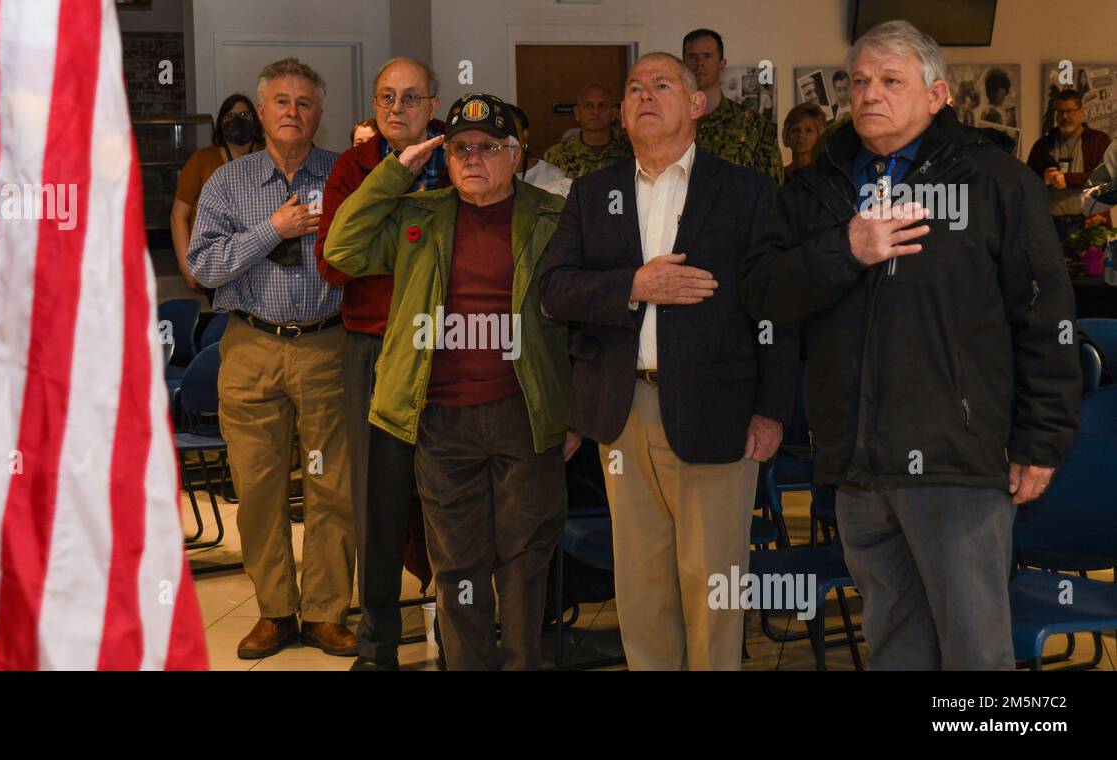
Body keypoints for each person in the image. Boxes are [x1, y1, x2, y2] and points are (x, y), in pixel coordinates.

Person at [739, 20, 1081, 670]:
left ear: (937, 94)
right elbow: (762, 292)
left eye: (890, 81)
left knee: (974, 654)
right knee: (896, 649)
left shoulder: (996, 181)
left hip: (958, 466)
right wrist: (846, 250)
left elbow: (1046, 320)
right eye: (859, 81)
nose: (870, 94)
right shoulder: (818, 186)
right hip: (859, 469)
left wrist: (1040, 443)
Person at [538, 53, 798, 670]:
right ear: (622, 113)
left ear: (697, 104)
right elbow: (555, 289)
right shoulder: (592, 192)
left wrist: (771, 409)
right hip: (621, 413)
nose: (644, 95)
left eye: (662, 84)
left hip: (719, 411)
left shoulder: (748, 191)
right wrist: (634, 284)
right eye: (634, 88)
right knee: (641, 583)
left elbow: (780, 312)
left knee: (712, 582)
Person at [325, 93, 579, 670]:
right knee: (457, 565)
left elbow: (581, 321)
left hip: (526, 412)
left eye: (488, 148)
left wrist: (577, 415)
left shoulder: (553, 216)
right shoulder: (421, 215)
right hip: (441, 418)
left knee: (524, 560)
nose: (472, 159)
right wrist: (396, 172)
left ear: (515, 156)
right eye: (461, 148)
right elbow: (342, 248)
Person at [188, 57, 356, 660]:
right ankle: (275, 612)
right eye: (281, 101)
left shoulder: (345, 176)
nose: (292, 111)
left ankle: (327, 613)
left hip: (328, 346)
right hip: (252, 346)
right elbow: (203, 266)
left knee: (331, 485)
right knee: (257, 488)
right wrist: (274, 228)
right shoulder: (226, 185)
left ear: (318, 113)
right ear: (260, 113)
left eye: (304, 102)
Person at [315, 56, 448, 672]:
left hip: (450, 344)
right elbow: (334, 262)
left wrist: (385, 248)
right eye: (386, 98)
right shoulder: (352, 166)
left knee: (454, 495)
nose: (397, 109)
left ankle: (461, 632)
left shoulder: (461, 159)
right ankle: (378, 646)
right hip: (373, 347)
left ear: (433, 104)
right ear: (373, 106)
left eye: (411, 97)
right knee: (378, 501)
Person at [171, 94, 263, 294]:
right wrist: (187, 269)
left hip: (259, 269)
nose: (237, 120)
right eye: (230, 116)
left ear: (256, 120)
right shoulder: (201, 160)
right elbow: (179, 216)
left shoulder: (269, 156)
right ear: (221, 122)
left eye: (245, 115)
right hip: (213, 266)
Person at [682, 28, 783, 184]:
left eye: (707, 56)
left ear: (722, 64)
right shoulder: (670, 122)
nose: (699, 63)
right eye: (692, 57)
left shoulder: (752, 124)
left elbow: (772, 186)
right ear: (683, 65)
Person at [1027, 88, 1113, 242]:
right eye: (1060, 112)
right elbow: (1026, 184)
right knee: (1052, 267)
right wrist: (1043, 180)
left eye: (1069, 111)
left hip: (1089, 223)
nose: (1064, 116)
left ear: (1082, 112)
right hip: (1052, 224)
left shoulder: (1099, 141)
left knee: (1090, 266)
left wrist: (1067, 180)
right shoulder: (1043, 145)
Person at [542, 82, 633, 180]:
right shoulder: (556, 155)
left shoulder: (630, 152)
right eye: (588, 105)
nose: (595, 112)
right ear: (577, 113)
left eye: (602, 105)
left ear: (614, 113)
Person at [511, 104, 572, 196]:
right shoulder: (486, 176)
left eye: (512, 131)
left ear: (525, 134)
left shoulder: (552, 176)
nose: (507, 138)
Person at [783, 101, 827, 178]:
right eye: (795, 130)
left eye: (808, 130)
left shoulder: (825, 178)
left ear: (819, 136)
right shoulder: (777, 177)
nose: (800, 135)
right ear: (787, 134)